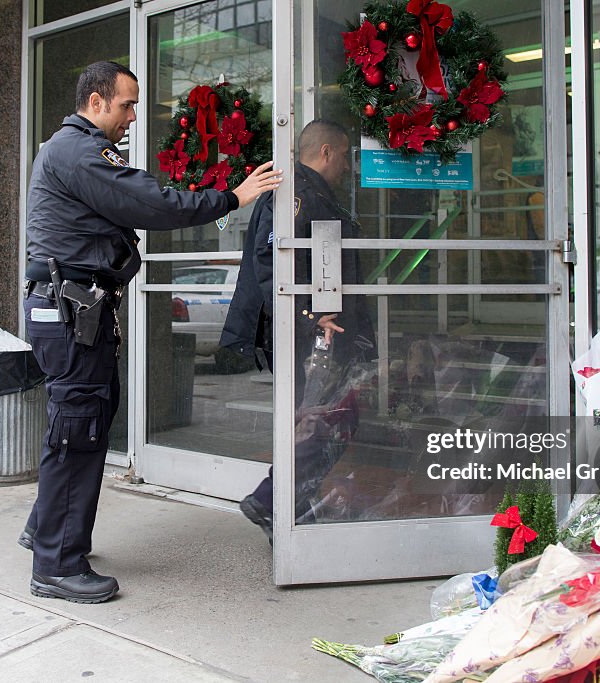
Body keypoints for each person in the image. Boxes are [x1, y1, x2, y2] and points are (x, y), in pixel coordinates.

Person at [20, 61, 281, 603]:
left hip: (72, 313)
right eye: (127, 105)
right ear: (95, 102)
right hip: (70, 315)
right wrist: (232, 197)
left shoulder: (69, 150)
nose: (134, 117)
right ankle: (55, 566)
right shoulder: (79, 151)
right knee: (79, 430)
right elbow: (151, 202)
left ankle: (48, 534)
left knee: (76, 426)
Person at [219, 119, 376, 543]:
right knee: (326, 419)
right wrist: (309, 315)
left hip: (315, 327)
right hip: (306, 331)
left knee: (321, 418)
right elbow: (271, 262)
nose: (347, 165)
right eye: (344, 154)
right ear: (325, 151)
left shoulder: (310, 192)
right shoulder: (295, 194)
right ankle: (272, 500)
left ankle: (291, 507)